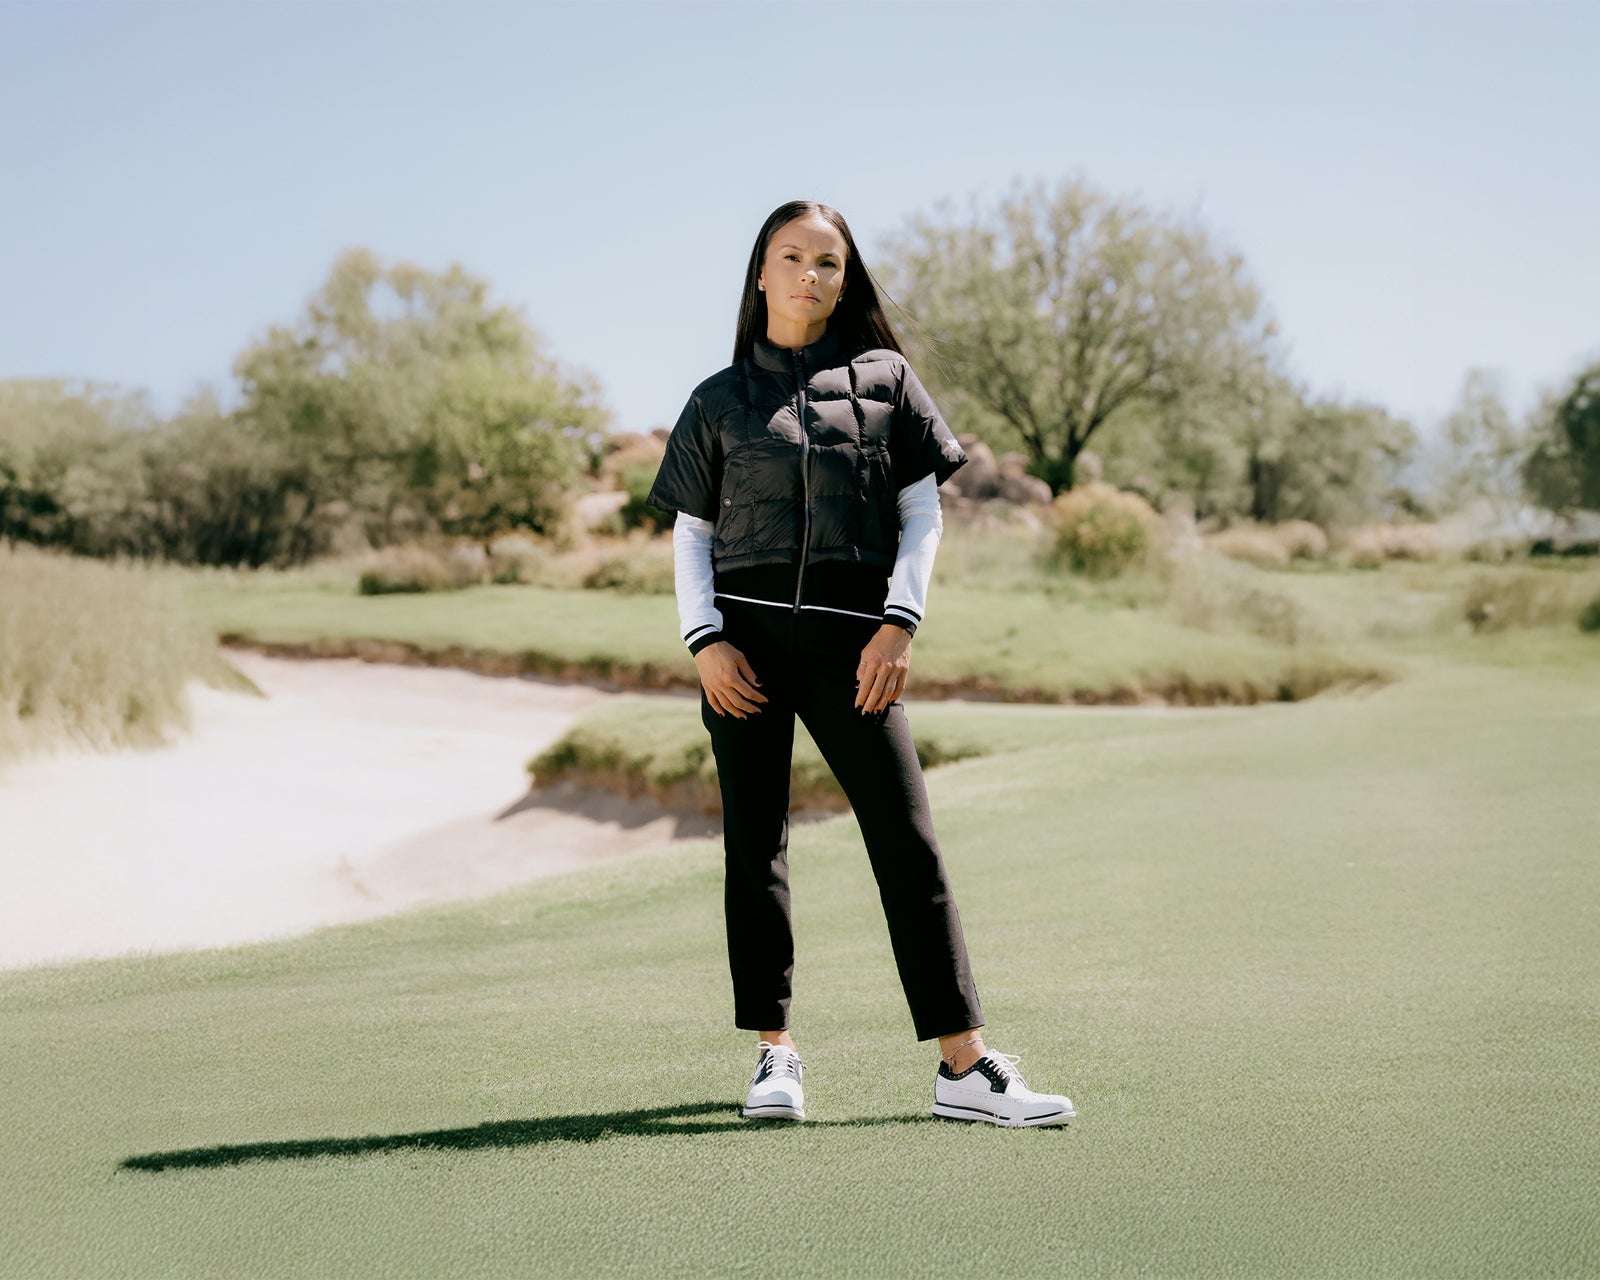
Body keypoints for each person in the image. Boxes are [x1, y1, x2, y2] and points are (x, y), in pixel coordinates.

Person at [645, 200, 1074, 1128]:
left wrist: (899, 621)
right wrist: (705, 641)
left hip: (857, 646)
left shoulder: (888, 379)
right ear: (761, 272)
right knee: (755, 847)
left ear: (847, 278)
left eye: (828, 262)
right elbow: (692, 535)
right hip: (744, 649)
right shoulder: (718, 399)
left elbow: (925, 514)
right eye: (791, 257)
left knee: (906, 840)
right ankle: (775, 1055)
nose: (809, 275)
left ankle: (964, 1066)